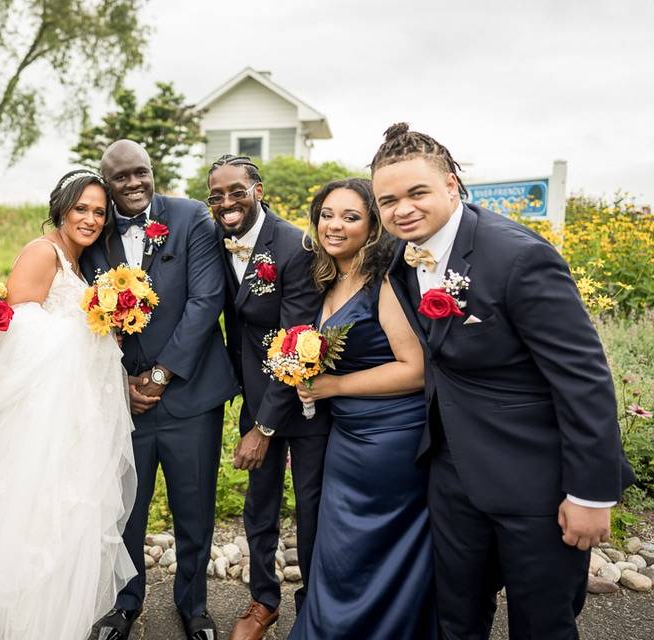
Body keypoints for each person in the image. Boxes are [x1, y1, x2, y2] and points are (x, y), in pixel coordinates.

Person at [371, 123, 634, 639]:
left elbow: (583, 379)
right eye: (388, 200)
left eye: (417, 192)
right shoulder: (402, 259)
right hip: (451, 477)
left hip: (536, 485)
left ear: (451, 184)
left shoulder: (518, 257)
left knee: (542, 626)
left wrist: (590, 495)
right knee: (456, 620)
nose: (402, 208)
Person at [0, 170, 137, 639]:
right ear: (61, 208)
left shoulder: (76, 261)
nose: (89, 218)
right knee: (30, 534)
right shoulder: (41, 251)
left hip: (71, 421)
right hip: (36, 426)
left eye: (98, 211)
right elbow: (14, 330)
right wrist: (92, 327)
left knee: (64, 534)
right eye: (80, 208)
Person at [83, 140, 238, 640]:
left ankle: (194, 608)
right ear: (106, 183)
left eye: (140, 173)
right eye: (120, 177)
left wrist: (162, 373)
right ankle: (125, 604)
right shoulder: (94, 232)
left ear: (153, 172)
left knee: (194, 508)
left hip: (189, 396)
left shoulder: (192, 217)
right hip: (123, 400)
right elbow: (88, 314)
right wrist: (120, 382)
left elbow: (206, 299)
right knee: (126, 507)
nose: (133, 184)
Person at [287, 178, 436, 639]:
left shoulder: (383, 282)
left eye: (350, 217)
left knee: (375, 550)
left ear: (372, 227)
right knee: (344, 552)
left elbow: (415, 369)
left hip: (389, 438)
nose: (334, 225)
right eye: (327, 214)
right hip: (348, 438)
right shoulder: (332, 277)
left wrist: (333, 385)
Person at [205, 154, 327, 640]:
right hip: (257, 393)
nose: (227, 203)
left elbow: (295, 338)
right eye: (216, 196)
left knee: (312, 507)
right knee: (260, 503)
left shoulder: (295, 246)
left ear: (258, 189)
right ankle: (263, 600)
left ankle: (314, 607)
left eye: (236, 191)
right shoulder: (217, 239)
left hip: (304, 397)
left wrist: (265, 427)